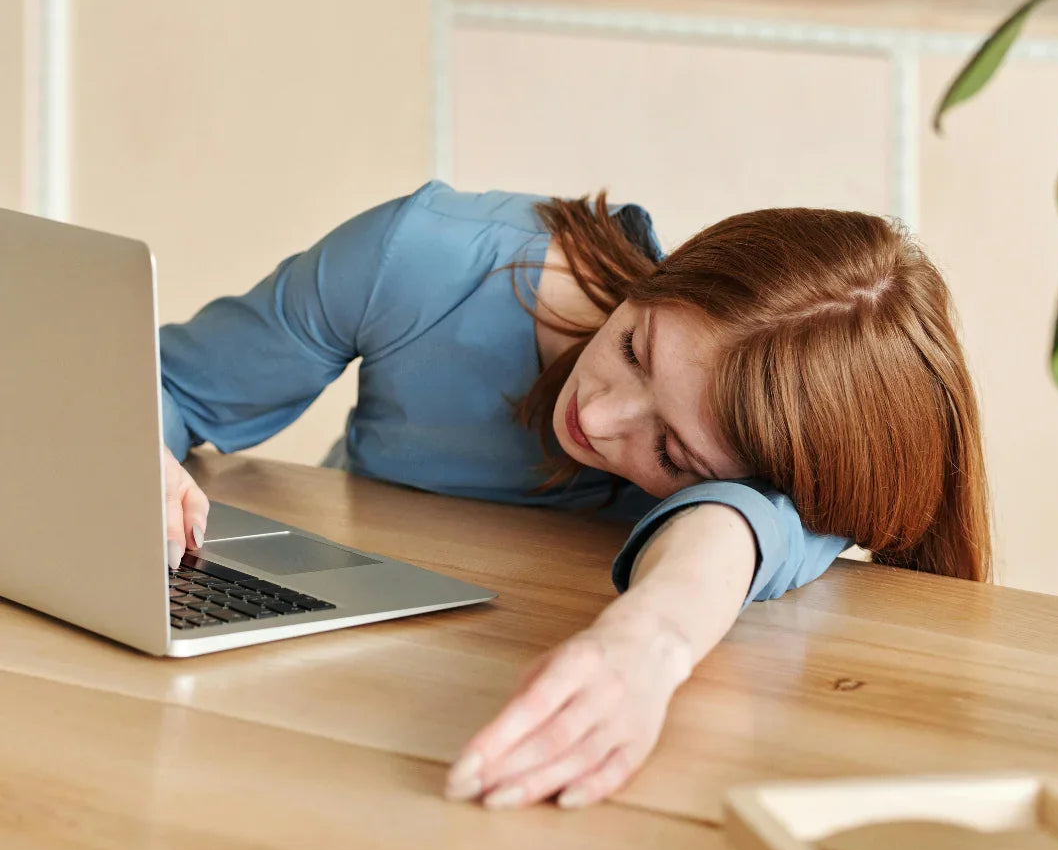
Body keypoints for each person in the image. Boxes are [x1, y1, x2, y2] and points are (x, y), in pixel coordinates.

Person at [159, 180, 991, 812]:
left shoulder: (776, 487)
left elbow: (738, 531)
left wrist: (648, 643)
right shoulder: (424, 260)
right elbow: (166, 383)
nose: (598, 414)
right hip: (312, 669)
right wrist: (139, 451)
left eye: (670, 449)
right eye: (635, 347)